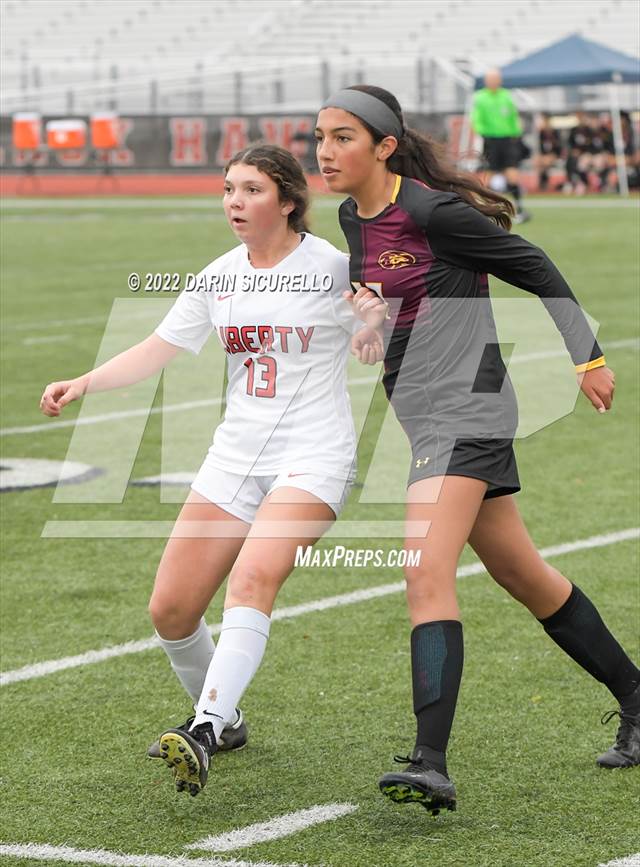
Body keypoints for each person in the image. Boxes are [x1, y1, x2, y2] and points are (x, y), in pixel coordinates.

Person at [315, 85, 640, 815]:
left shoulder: (434, 212)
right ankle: (637, 695)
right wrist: (370, 320)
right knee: (522, 572)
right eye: (320, 136)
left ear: (384, 146)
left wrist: (588, 360)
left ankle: (430, 760)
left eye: (342, 138)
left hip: (470, 409)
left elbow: (537, 267)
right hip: (421, 413)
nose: (325, 152)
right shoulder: (350, 216)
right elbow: (391, 290)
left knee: (424, 568)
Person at [39, 143, 384, 797]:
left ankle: (202, 727)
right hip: (235, 456)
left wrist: (373, 326)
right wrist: (83, 381)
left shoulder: (332, 268)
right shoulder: (219, 276)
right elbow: (156, 348)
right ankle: (226, 722)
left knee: (253, 577)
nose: (235, 201)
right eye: (229, 188)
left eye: (252, 189)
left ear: (287, 200)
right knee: (170, 608)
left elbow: (382, 329)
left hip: (313, 458)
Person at [471, 68, 531, 223]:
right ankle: (485, 209)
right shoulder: (480, 97)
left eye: (496, 79)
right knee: (488, 174)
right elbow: (476, 119)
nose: (494, 82)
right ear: (486, 81)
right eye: (491, 79)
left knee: (512, 174)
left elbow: (513, 116)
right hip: (490, 140)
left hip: (507, 140)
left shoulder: (506, 96)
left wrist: (516, 133)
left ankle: (519, 209)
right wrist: (482, 132)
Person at [535, 113, 563, 191]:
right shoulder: (542, 133)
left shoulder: (555, 133)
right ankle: (542, 181)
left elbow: (558, 147)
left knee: (545, 161)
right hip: (544, 155)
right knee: (538, 162)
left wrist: (551, 154)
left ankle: (544, 182)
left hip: (553, 154)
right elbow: (541, 147)